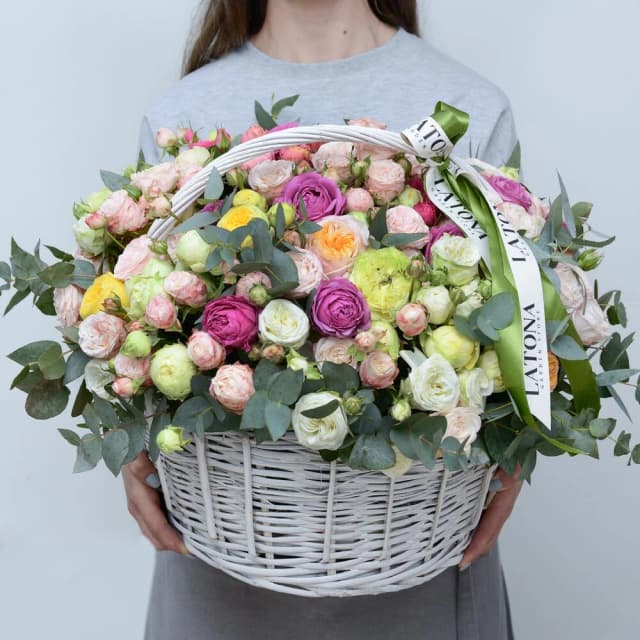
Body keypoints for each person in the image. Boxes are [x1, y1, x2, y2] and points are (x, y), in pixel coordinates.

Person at [123, 1, 524, 638]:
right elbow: (132, 323)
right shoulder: (181, 117)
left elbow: (521, 333)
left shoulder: (467, 108)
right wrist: (129, 442)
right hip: (222, 564)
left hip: (421, 562)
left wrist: (519, 451)